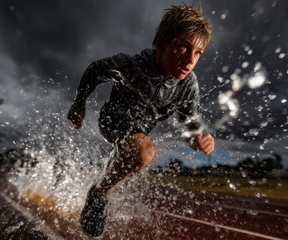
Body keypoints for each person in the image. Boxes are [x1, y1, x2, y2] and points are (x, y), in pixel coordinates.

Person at [67, 3, 215, 237]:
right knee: (143, 151)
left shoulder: (188, 85)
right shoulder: (132, 65)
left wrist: (197, 139)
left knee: (142, 151)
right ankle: (98, 196)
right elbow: (95, 69)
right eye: (184, 48)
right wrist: (78, 105)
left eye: (197, 54)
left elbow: (189, 122)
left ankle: (98, 191)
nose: (190, 60)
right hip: (113, 119)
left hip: (141, 131)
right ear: (162, 43)